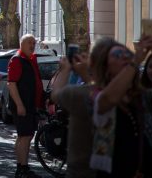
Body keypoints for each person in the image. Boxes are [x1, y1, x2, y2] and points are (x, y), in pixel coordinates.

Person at [90, 36, 152, 177]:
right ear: (106, 67)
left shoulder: (145, 97)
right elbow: (109, 98)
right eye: (118, 55)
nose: (125, 58)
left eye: (127, 55)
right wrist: (135, 61)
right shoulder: (99, 96)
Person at [50, 45, 96, 178]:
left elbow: (56, 94)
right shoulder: (117, 93)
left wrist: (66, 69)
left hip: (81, 169)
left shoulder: (82, 94)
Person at [7, 34, 43, 178]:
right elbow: (11, 84)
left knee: (24, 136)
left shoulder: (30, 60)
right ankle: (22, 168)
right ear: (22, 44)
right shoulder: (17, 60)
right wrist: (20, 105)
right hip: (23, 106)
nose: (32, 45)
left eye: (34, 43)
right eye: (29, 42)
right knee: (25, 136)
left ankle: (21, 167)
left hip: (30, 105)